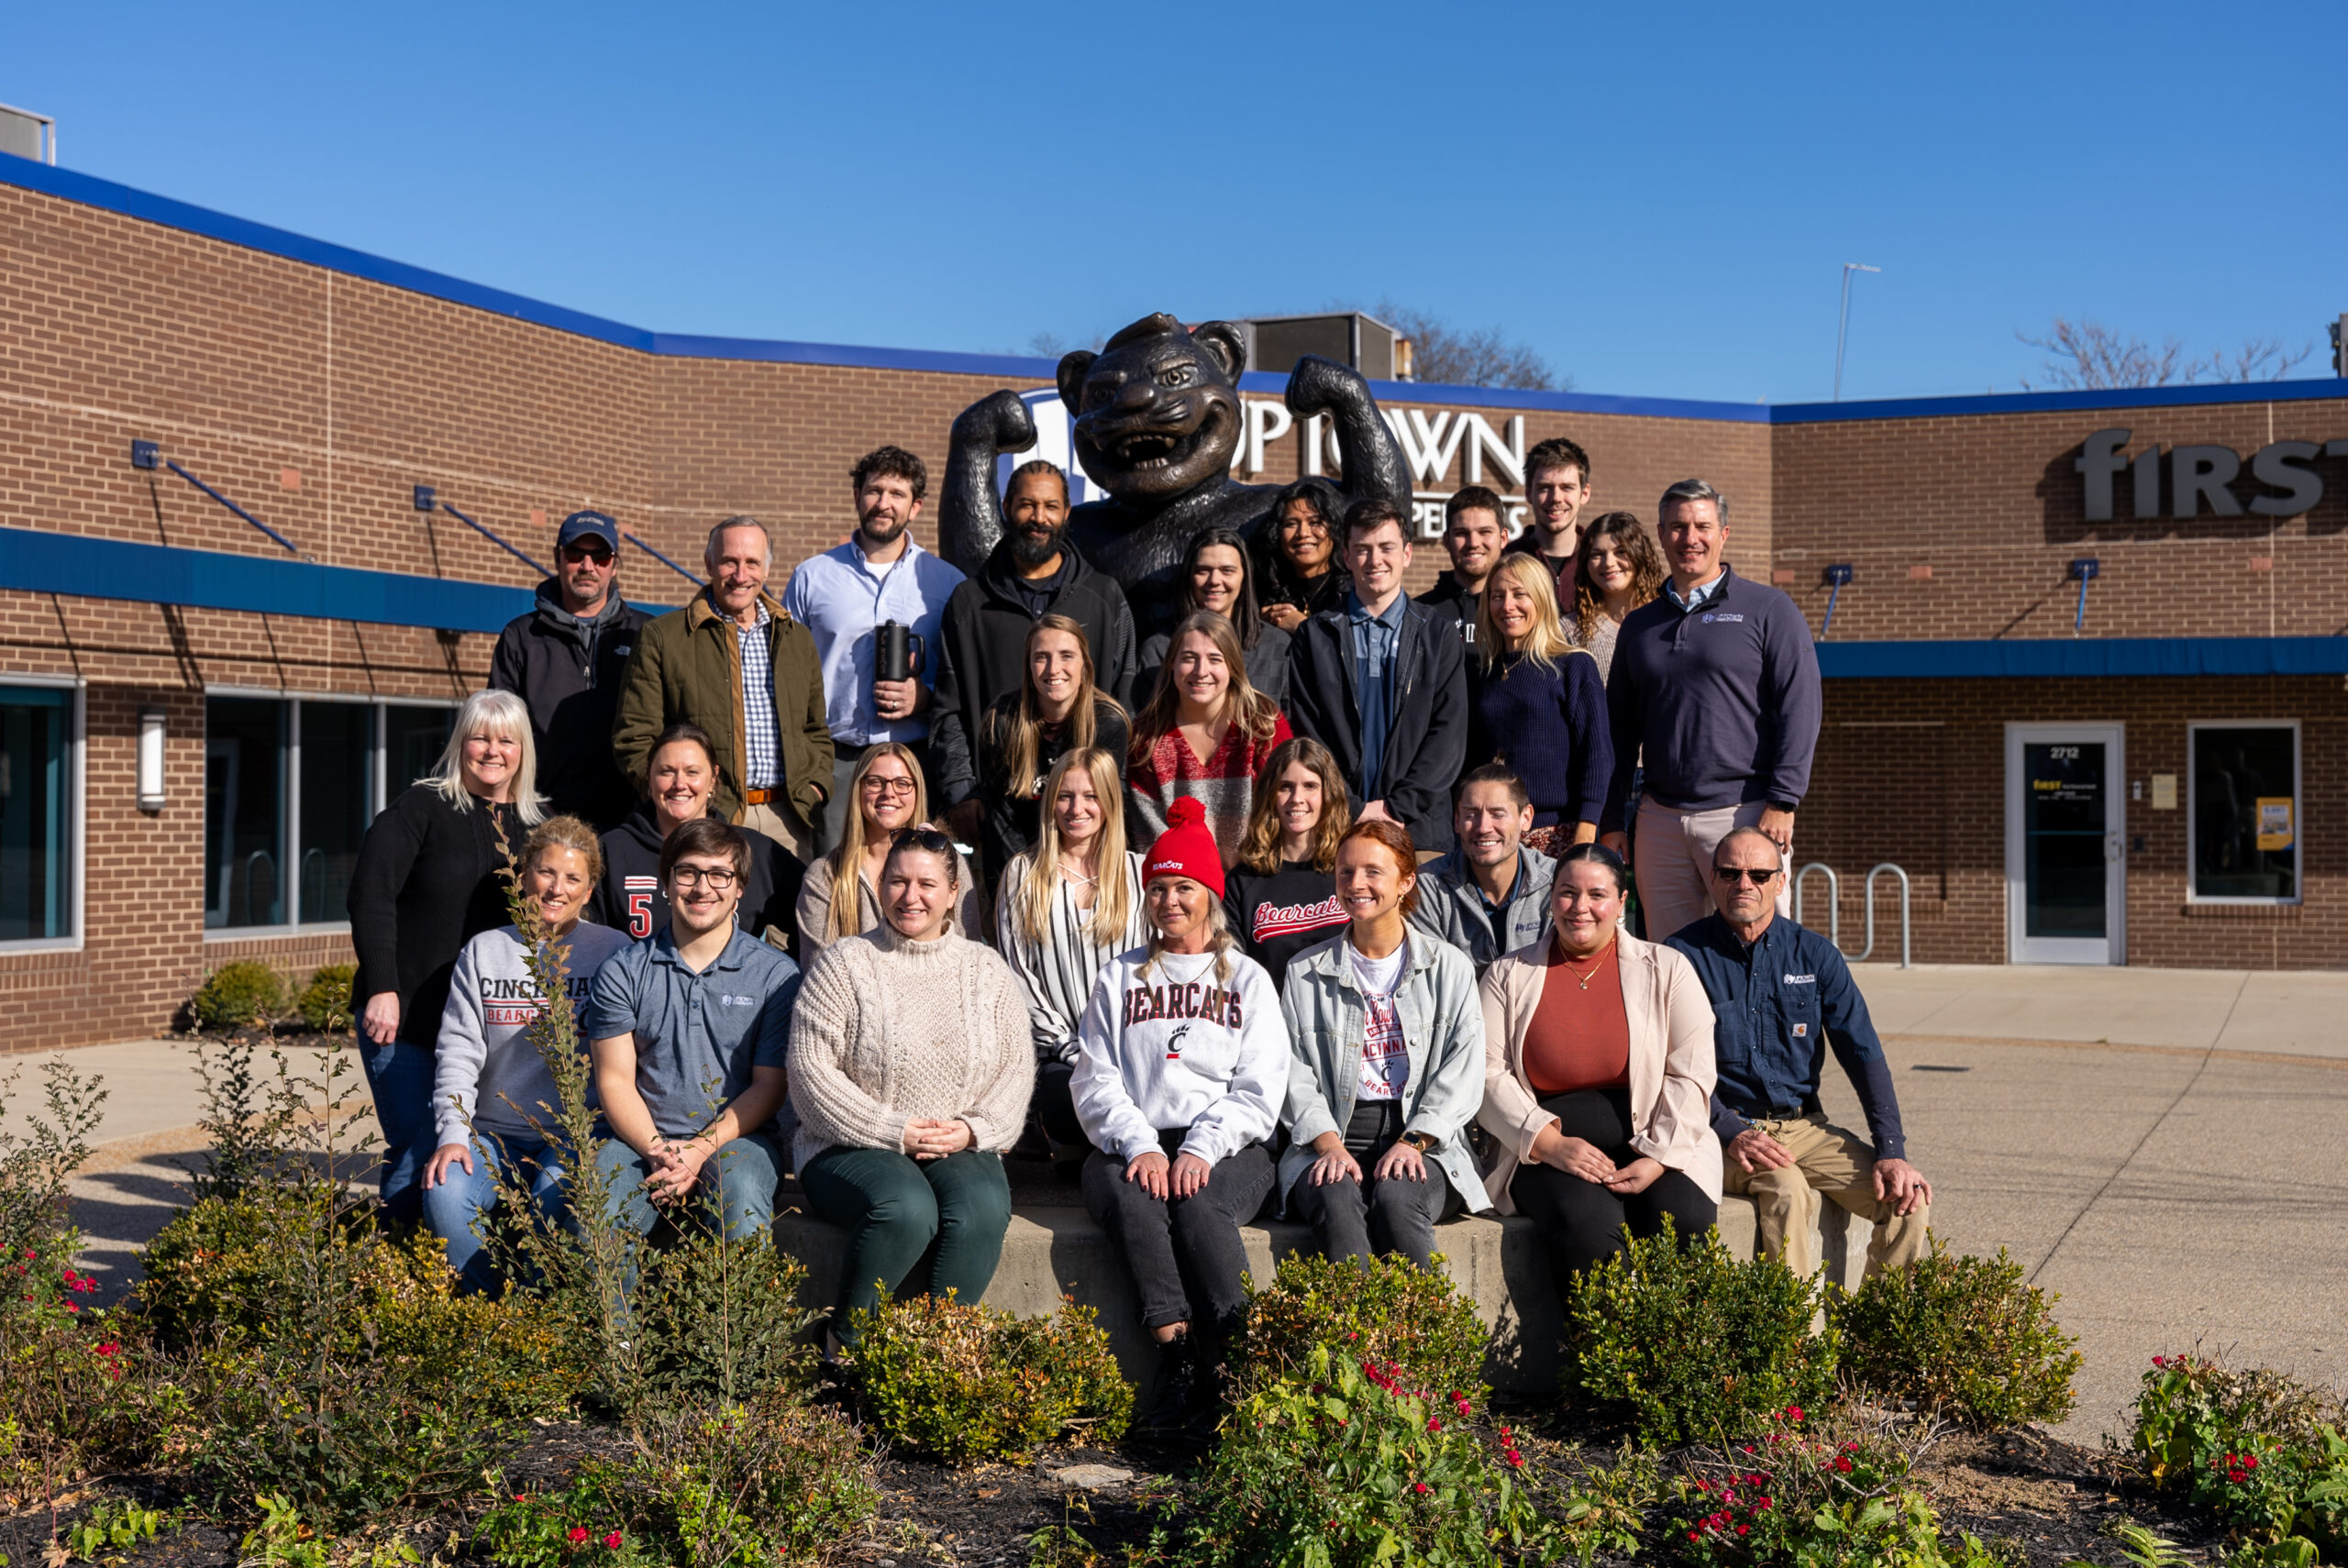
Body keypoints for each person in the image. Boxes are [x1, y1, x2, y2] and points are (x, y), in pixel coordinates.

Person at [1072, 798, 1287, 1427]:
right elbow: (1094, 1076)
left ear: (1210, 895)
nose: (1170, 900)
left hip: (1228, 1149)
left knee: (1199, 1203)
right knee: (1131, 1196)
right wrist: (1140, 1144)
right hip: (1132, 1141)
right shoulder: (1120, 976)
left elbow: (1260, 1087)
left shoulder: (1246, 980)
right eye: (1159, 888)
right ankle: (1182, 1358)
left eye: (1184, 887)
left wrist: (1200, 1146)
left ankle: (1239, 1359)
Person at [790, 825, 1033, 1344]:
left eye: (926, 884)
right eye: (898, 881)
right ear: (880, 887)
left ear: (952, 895)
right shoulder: (845, 963)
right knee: (906, 1209)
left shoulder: (986, 971)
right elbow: (811, 1073)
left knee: (981, 1211)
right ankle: (844, 1348)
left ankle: (933, 1361)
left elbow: (1016, 1068)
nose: (911, 896)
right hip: (848, 1145)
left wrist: (973, 1130)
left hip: (957, 1143)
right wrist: (893, 1129)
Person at [1667, 827, 1932, 1280]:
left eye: (1758, 873)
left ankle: (1872, 1341)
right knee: (1789, 1193)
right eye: (1730, 873)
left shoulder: (1816, 956)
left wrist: (1892, 1149)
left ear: (1780, 881)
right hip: (1720, 1130)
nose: (1743, 883)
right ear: (1712, 878)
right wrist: (1729, 1128)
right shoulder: (1679, 956)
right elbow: (1666, 1066)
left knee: (1907, 1202)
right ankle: (1795, 1346)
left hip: (1805, 1127)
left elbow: (1864, 1054)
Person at [1478, 842, 1720, 1286]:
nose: (1580, 908)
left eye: (1597, 895)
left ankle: (1681, 1354)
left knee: (1683, 1220)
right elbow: (1487, 1074)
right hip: (1545, 1154)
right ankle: (1607, 1355)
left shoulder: (1668, 968)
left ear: (1622, 900)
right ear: (1551, 898)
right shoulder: (1508, 974)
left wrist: (1657, 1157)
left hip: (1655, 1141)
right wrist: (1550, 1144)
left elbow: (1692, 1071)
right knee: (1591, 1232)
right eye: (1568, 893)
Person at [349, 688, 545, 1224]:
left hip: (489, 1032)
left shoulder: (536, 825)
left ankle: (464, 1290)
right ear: (461, 742)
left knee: (474, 1159)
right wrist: (382, 985)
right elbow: (371, 895)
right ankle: (401, 1287)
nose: (492, 750)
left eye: (506, 739)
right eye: (480, 737)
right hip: (407, 1021)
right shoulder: (421, 807)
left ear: (522, 749)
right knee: (418, 1154)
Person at [1601, 480, 1821, 945]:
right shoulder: (1640, 626)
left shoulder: (1769, 610)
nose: (1690, 537)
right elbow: (1619, 732)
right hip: (1659, 821)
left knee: (1759, 948)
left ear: (1724, 533)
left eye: (1702, 525)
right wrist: (1613, 820)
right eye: (1678, 527)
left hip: (1745, 813)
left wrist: (1784, 800)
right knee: (1669, 959)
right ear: (1661, 534)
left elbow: (1801, 707)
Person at [424, 815, 629, 1293]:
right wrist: (453, 1134)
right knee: (446, 1197)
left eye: (573, 878)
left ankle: (541, 1326)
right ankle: (488, 1317)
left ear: (590, 887)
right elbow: (457, 1051)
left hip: (579, 1136)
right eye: (546, 872)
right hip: (494, 1135)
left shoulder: (614, 952)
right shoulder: (485, 951)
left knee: (554, 1202)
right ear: (523, 876)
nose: (557, 888)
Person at [1278, 821, 1490, 1269]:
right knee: (1335, 1198)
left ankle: (1425, 1336)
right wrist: (1329, 1144)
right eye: (1345, 872)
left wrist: (1413, 1141)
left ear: (1405, 881)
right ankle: (1357, 1336)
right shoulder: (1304, 973)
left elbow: (1464, 1071)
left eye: (1373, 872)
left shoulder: (1448, 967)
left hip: (1424, 1136)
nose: (1356, 884)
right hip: (1332, 1133)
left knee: (1397, 1197)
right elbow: (1291, 1073)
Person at [584, 817, 799, 1244]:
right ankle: (613, 1315)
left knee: (738, 1195)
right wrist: (660, 1151)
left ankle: (741, 1314)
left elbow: (770, 1086)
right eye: (688, 872)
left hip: (743, 1139)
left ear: (740, 888)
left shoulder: (776, 975)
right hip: (637, 1141)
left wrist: (700, 1149)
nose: (703, 888)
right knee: (602, 1207)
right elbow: (614, 1079)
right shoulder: (622, 971)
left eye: (720, 874)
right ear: (666, 882)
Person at [613, 515, 833, 859]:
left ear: (767, 569)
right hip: (707, 817)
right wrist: (677, 799)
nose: (741, 575)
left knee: (783, 913)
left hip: (789, 818)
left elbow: (816, 729)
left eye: (752, 563)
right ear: (709, 564)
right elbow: (634, 737)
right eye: (730, 561)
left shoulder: (796, 638)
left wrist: (816, 786)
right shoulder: (664, 637)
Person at [781, 447, 967, 855]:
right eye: (874, 491)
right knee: (833, 871)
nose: (884, 504)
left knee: (913, 873)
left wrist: (927, 696)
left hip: (914, 759)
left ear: (915, 507)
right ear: (856, 496)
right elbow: (787, 676)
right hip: (835, 759)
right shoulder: (812, 577)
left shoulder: (947, 582)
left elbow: (964, 679)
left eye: (897, 494)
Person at [931, 460, 1137, 797]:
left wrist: (1113, 794)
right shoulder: (969, 602)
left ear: (1067, 512)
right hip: (997, 804)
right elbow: (949, 710)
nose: (1039, 517)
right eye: (1027, 504)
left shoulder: (1104, 597)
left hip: (1084, 808)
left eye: (1050, 506)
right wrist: (961, 792)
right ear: (1006, 508)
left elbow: (1125, 705)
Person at [1286, 499, 1468, 855]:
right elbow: (1309, 734)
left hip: (1419, 832)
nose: (1375, 560)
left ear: (1407, 553)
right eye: (1363, 550)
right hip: (1335, 827)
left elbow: (1448, 736)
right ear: (1346, 557)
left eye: (1386, 547)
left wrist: (1395, 809)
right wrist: (1352, 807)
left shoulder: (1438, 635)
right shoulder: (1316, 636)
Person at [993, 748, 1148, 1160]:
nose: (1076, 808)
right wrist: (1071, 1049)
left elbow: (1159, 963)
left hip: (1133, 1044)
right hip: (1060, 1052)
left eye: (1090, 796)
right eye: (1065, 795)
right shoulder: (1023, 875)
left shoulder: (1141, 872)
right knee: (1067, 1107)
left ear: (1110, 802)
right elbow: (1018, 977)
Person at [934, 614, 1130, 885]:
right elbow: (1001, 819)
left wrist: (1076, 880)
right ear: (1028, 666)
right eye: (1041, 657)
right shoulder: (1001, 721)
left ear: (1085, 665)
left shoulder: (1108, 723)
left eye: (1066, 656)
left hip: (1086, 863)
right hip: (1019, 860)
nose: (1053, 668)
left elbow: (1105, 812)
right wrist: (1022, 882)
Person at [488, 511, 653, 831]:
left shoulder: (646, 634)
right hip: (542, 819)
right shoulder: (521, 637)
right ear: (558, 558)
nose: (588, 566)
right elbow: (500, 733)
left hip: (631, 823)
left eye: (601, 556)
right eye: (576, 554)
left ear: (615, 564)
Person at [592, 723, 803, 945]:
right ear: (649, 776)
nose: (679, 784)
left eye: (692, 772)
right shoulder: (611, 851)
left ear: (713, 778)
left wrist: (783, 972)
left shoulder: (755, 850)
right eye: (666, 772)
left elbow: (817, 916)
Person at [1472, 552, 1612, 856]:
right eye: (1497, 596)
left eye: (1519, 594)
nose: (1507, 606)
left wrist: (1585, 834)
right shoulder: (1484, 672)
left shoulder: (1573, 665)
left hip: (1557, 834)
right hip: (1493, 833)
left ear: (1541, 598)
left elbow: (1597, 755)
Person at [1126, 611, 1291, 865]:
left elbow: (1284, 812)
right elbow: (1151, 839)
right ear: (1172, 663)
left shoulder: (1263, 725)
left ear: (1233, 666)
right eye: (1189, 658)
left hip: (1258, 881)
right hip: (1182, 887)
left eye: (1215, 659)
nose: (1201, 671)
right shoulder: (1147, 739)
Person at [796, 743, 982, 955]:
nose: (888, 793)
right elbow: (820, 971)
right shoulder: (824, 875)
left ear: (918, 792)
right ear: (858, 789)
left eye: (902, 784)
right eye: (875, 782)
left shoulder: (950, 861)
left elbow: (969, 952)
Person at [1222, 736, 1351, 991]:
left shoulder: (1349, 869)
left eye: (1310, 786)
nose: (1297, 798)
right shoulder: (1243, 881)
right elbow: (1232, 971)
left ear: (1329, 793)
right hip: (1274, 1023)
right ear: (1270, 793)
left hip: (1346, 1018)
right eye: (1285, 786)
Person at [1409, 765, 1556, 978]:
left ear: (1526, 817)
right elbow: (1434, 981)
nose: (1483, 827)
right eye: (1471, 814)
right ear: (1457, 820)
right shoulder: (1427, 887)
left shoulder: (1557, 882)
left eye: (1497, 814)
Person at [1134, 526, 1293, 707]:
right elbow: (1146, 723)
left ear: (1244, 580)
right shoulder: (1158, 650)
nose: (1215, 580)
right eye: (1203, 570)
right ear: (1189, 578)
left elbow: (1289, 723)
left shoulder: (1277, 645)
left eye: (1227, 571)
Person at [1566, 511, 1667, 683]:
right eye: (1597, 554)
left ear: (1640, 556)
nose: (1609, 563)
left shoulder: (1667, 621)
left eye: (1620, 552)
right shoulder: (1569, 631)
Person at [1416, 485, 1507, 653]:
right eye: (1461, 533)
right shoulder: (1419, 613)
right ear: (1447, 540)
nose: (1473, 543)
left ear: (1503, 538)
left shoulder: (1518, 610)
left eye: (1485, 532)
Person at [1503, 436, 1593, 602]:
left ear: (1584, 493)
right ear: (1529, 493)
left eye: (1567, 487)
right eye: (1545, 488)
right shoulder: (1505, 560)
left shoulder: (1601, 561)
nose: (1556, 498)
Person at [1254, 480, 1350, 634]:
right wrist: (1259, 625)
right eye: (1291, 524)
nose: (1303, 533)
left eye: (1315, 522)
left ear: (1335, 530)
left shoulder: (1353, 592)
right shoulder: (1265, 589)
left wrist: (1303, 627)